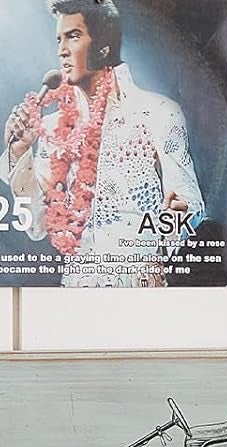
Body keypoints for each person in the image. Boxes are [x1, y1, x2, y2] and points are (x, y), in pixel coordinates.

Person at [2, 1, 205, 288]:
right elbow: (38, 224)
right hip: (76, 291)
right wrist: (19, 151)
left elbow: (191, 203)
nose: (62, 50)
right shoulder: (52, 128)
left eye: (73, 36)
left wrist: (172, 227)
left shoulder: (158, 113)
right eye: (59, 39)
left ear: (104, 46)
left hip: (139, 286)